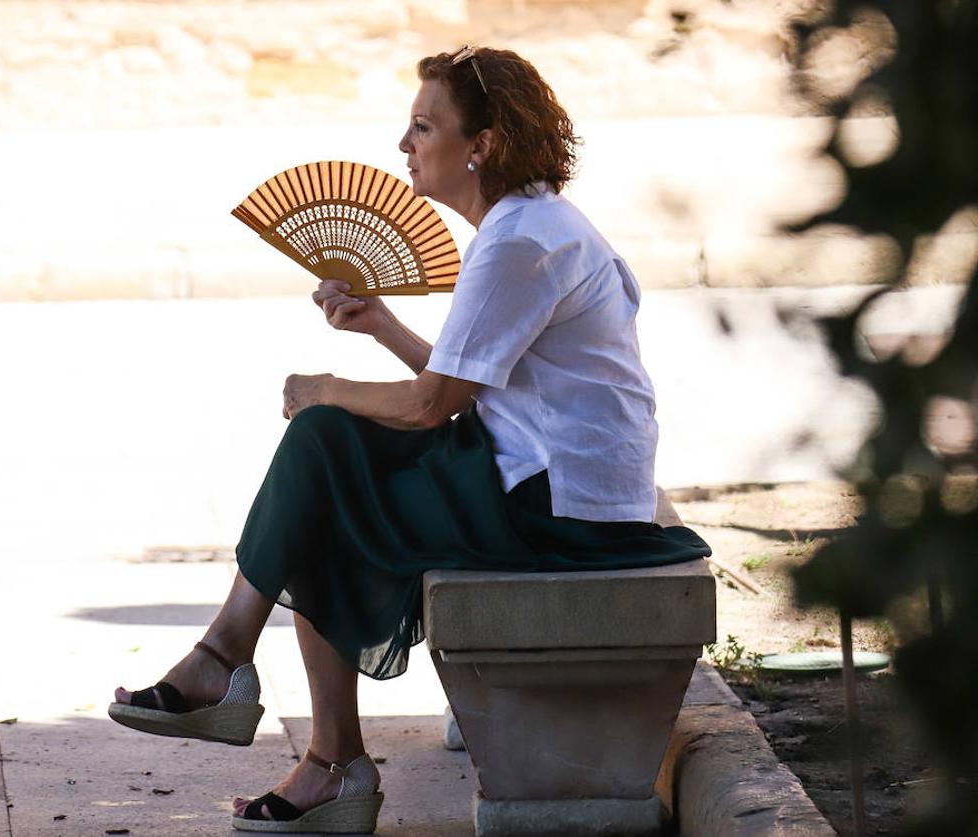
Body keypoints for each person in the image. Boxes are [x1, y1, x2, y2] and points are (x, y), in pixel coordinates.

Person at [108, 45, 711, 834]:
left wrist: (322, 387)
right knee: (326, 468)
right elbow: (474, 384)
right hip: (543, 475)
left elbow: (433, 407)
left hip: (561, 506)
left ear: (481, 146)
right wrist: (382, 324)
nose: (405, 145)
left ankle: (277, 711)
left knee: (324, 444)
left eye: (424, 126)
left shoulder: (519, 241)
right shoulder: (525, 224)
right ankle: (266, 705)